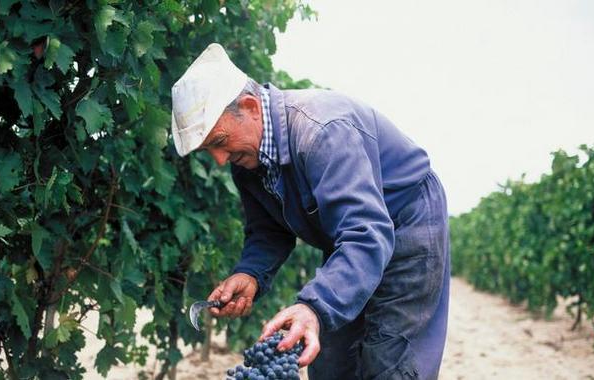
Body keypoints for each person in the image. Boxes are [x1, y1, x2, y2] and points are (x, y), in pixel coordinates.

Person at [170, 43, 451, 380]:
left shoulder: (322, 131)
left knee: (390, 359)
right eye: (208, 150)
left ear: (249, 107)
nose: (218, 159)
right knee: (330, 360)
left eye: (219, 141)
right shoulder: (246, 158)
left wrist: (314, 306)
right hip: (351, 237)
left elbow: (366, 232)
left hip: (406, 219)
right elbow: (269, 229)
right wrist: (250, 273)